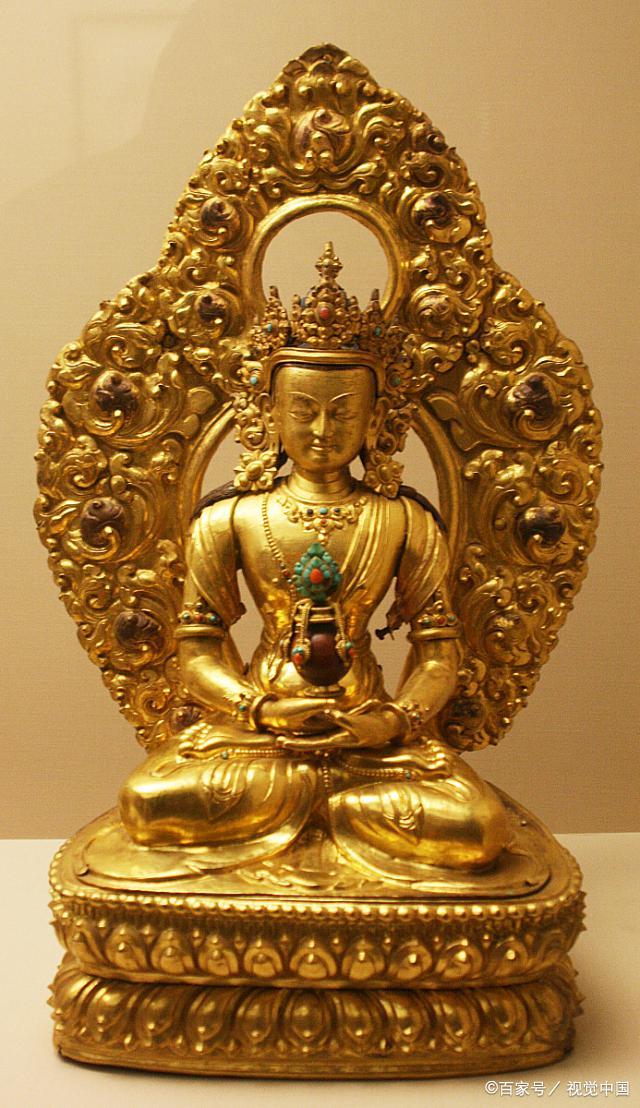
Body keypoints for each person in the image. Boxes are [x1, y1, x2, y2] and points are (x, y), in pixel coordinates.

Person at [120, 245, 507, 877]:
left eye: (343, 411)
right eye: (303, 410)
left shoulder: (404, 518)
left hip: (371, 737)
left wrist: (394, 718)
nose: (323, 429)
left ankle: (327, 809)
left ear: (376, 418)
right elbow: (196, 653)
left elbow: (439, 653)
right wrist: (260, 709)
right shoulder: (231, 517)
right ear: (267, 413)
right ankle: (337, 812)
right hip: (261, 736)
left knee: (475, 825)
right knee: (147, 802)